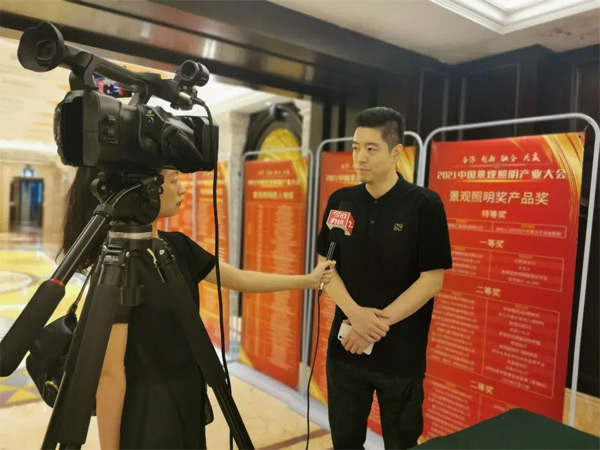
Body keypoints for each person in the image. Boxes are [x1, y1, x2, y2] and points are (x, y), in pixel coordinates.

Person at [59, 166, 335, 449]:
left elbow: (239, 278)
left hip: (189, 391)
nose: (182, 189)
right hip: (148, 409)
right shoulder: (120, 265)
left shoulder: (176, 247)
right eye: (173, 181)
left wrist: (307, 280)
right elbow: (110, 374)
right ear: (144, 190)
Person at [316, 107, 452, 449]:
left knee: (402, 443)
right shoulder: (341, 201)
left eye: (371, 148)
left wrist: (373, 325)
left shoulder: (424, 205)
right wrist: (356, 316)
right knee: (345, 442)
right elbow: (325, 267)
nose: (359, 157)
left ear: (395, 153)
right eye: (355, 147)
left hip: (400, 357)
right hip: (345, 349)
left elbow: (431, 280)